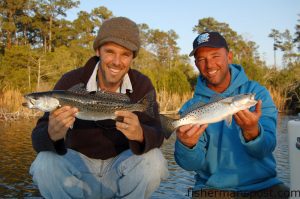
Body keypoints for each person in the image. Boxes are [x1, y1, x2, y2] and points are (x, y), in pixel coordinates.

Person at [29, 16, 168, 199]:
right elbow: (37, 140)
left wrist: (141, 135)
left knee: (155, 161)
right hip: (78, 169)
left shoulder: (142, 85)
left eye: (125, 54)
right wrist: (51, 135)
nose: (117, 62)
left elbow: (158, 133)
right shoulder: (71, 81)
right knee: (44, 162)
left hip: (121, 169)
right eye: (110, 51)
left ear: (132, 58)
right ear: (98, 51)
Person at [174, 32, 289, 199]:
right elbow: (190, 165)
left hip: (265, 186)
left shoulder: (257, 94)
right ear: (196, 64)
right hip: (212, 190)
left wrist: (252, 132)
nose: (209, 65)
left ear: (229, 56)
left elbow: (267, 147)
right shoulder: (191, 108)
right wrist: (186, 146)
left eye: (215, 56)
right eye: (201, 59)